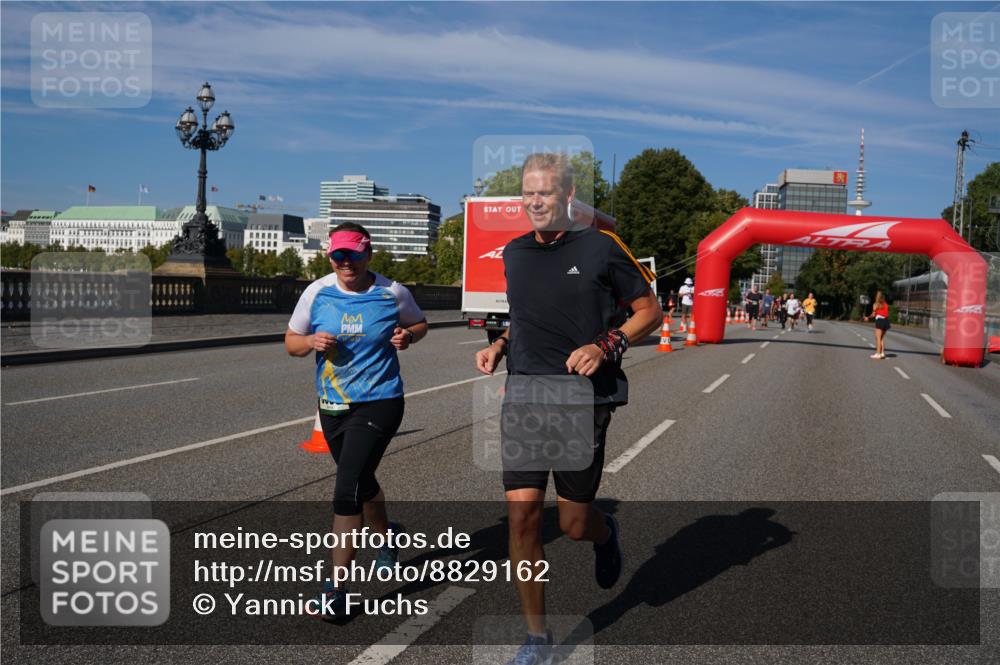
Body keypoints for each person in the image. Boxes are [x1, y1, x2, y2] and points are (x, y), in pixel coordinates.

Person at [475, 152, 662, 665]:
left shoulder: (602, 248)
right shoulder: (514, 253)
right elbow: (529, 318)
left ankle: (606, 534)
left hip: (585, 396)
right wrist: (501, 345)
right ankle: (537, 637)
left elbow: (650, 311)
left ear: (567, 198)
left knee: (576, 522)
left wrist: (607, 345)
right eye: (528, 193)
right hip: (527, 395)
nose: (535, 201)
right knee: (524, 518)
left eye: (546, 193)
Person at [285, 222, 429, 618]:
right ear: (330, 256)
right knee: (363, 481)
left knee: (346, 487)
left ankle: (337, 589)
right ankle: (388, 537)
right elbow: (291, 342)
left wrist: (408, 337)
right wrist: (310, 342)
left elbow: (419, 324)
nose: (346, 262)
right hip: (332, 406)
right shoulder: (316, 292)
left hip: (381, 400)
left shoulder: (391, 291)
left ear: (369, 253)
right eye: (339, 255)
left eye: (354, 254)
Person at [863, 291, 890, 359]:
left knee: (878, 338)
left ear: (877, 297)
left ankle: (878, 354)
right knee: (881, 338)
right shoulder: (885, 304)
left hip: (880, 321)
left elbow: (874, 314)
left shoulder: (876, 304)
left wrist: (867, 317)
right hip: (886, 321)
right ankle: (882, 353)